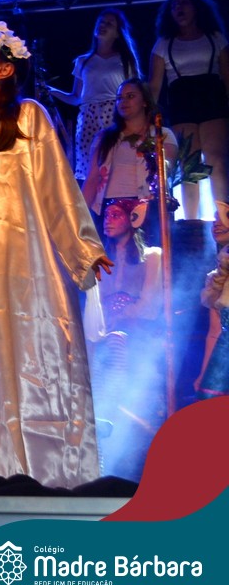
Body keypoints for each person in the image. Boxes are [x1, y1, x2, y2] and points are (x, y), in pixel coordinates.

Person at [0, 15, 112, 488]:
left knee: (28, 369)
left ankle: (43, 484)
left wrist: (83, 249)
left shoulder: (27, 117)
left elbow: (57, 188)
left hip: (22, 273)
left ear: (4, 68)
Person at [90, 199, 164, 479]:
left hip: (138, 333)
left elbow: (150, 303)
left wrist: (122, 317)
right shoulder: (101, 259)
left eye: (116, 215)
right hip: (106, 333)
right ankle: (101, 423)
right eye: (107, 215)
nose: (108, 221)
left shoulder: (151, 257)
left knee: (117, 344)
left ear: (132, 219)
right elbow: (96, 303)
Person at [147, 0, 229, 214]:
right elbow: (155, 86)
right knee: (189, 166)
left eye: (184, 3)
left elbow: (227, 75)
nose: (179, 9)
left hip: (212, 100)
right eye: (174, 6)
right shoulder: (164, 43)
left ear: (197, 8)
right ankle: (191, 221)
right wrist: (148, 117)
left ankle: (223, 219)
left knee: (217, 161)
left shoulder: (215, 37)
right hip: (182, 102)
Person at [48, 9, 141, 183]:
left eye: (109, 24)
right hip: (88, 116)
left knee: (118, 162)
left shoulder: (126, 59)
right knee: (90, 165)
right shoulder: (83, 61)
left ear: (118, 33)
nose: (103, 26)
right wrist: (50, 90)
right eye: (101, 22)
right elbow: (76, 97)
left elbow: (135, 92)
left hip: (115, 113)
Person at [81, 78, 178, 244]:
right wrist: (79, 215)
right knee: (110, 256)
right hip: (109, 207)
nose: (123, 102)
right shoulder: (104, 137)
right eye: (119, 98)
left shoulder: (162, 135)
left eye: (130, 96)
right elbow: (92, 179)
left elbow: (165, 171)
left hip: (145, 206)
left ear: (145, 102)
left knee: (146, 254)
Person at [196, 209, 229, 399]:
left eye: (224, 217)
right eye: (214, 219)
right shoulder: (215, 279)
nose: (216, 224)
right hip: (224, 356)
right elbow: (214, 332)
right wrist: (203, 373)